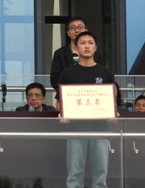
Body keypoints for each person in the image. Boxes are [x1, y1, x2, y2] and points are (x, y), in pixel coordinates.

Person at [57, 31, 115, 188]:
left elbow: (113, 99)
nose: (87, 46)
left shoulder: (106, 73)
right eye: (82, 43)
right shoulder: (67, 73)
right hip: (75, 129)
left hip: (100, 129)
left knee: (100, 174)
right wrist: (63, 113)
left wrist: (112, 113)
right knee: (74, 174)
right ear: (76, 48)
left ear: (95, 48)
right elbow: (60, 102)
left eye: (90, 43)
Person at [50, 17, 88, 95]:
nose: (76, 30)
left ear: (86, 30)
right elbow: (55, 80)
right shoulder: (60, 53)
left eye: (80, 27)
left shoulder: (95, 52)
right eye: (73, 28)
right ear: (68, 33)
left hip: (90, 94)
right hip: (68, 95)